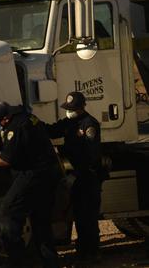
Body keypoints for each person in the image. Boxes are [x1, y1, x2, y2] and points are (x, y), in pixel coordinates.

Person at [0, 101, 61, 268]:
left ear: (5, 119)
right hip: (48, 173)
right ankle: (49, 262)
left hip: (33, 174)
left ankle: (16, 262)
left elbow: (5, 160)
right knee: (40, 220)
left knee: (8, 212)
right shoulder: (26, 117)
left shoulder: (15, 128)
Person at [46, 91, 103, 263]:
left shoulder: (89, 125)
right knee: (78, 213)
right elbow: (52, 130)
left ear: (81, 107)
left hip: (89, 175)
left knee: (89, 216)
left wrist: (77, 171)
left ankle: (92, 252)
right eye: (69, 109)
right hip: (78, 175)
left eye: (73, 109)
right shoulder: (69, 122)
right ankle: (82, 249)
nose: (69, 112)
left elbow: (90, 154)